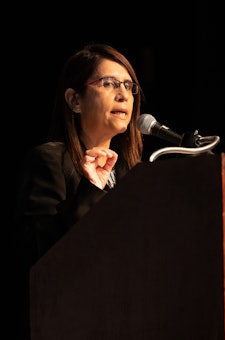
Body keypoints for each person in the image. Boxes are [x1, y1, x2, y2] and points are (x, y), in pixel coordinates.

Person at [13, 43, 144, 338]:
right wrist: (91, 189)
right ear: (74, 100)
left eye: (128, 86)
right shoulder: (50, 160)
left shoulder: (133, 176)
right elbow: (45, 258)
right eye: (109, 83)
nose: (123, 94)